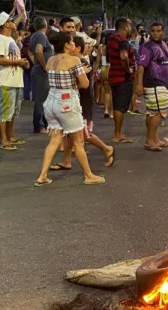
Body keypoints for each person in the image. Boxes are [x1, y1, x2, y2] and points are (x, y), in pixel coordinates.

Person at [35, 32, 106, 187]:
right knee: (78, 141)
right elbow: (85, 84)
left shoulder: (50, 60)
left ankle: (42, 175)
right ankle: (88, 175)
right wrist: (80, 76)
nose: (74, 44)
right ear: (67, 45)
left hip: (51, 101)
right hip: (67, 102)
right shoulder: (74, 60)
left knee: (54, 140)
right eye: (72, 42)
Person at [52, 35, 116, 171]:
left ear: (77, 48)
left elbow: (84, 85)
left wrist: (66, 85)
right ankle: (66, 160)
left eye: (70, 44)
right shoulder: (75, 62)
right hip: (75, 103)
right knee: (70, 133)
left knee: (83, 135)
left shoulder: (80, 63)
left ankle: (107, 149)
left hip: (81, 105)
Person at [0, 10, 30, 150]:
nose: (14, 23)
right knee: (4, 111)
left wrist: (22, 62)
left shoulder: (10, 39)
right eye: (11, 20)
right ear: (5, 24)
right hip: (6, 81)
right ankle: (4, 140)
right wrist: (18, 62)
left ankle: (10, 136)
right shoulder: (0, 40)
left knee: (13, 111)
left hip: (16, 80)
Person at [135, 22, 168, 151]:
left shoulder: (163, 45)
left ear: (163, 32)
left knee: (153, 112)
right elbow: (141, 66)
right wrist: (139, 84)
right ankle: (150, 141)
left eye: (158, 31)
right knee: (157, 113)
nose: (155, 33)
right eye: (153, 31)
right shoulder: (147, 47)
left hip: (162, 83)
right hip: (154, 83)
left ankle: (154, 139)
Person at [107, 18, 135, 143]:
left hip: (113, 75)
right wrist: (128, 70)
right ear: (125, 27)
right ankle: (117, 134)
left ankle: (117, 132)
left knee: (117, 103)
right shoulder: (123, 41)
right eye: (129, 26)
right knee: (121, 106)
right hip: (122, 77)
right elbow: (123, 56)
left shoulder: (112, 39)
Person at [29, 17, 52, 134]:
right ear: (45, 25)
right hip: (41, 72)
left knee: (42, 97)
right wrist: (44, 65)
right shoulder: (41, 36)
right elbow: (38, 50)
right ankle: (39, 125)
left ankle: (42, 123)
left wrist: (36, 63)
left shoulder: (34, 36)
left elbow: (30, 52)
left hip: (37, 70)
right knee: (41, 99)